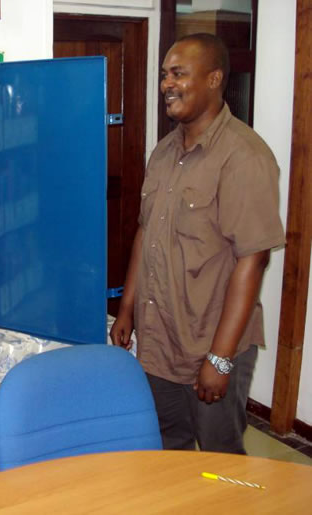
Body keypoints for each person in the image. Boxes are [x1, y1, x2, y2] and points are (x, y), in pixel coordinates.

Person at [110, 33, 285, 454]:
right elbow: (144, 234)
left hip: (207, 343)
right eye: (165, 75)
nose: (167, 84)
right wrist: (128, 310)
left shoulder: (244, 156)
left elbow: (253, 260)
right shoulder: (164, 152)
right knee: (167, 449)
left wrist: (220, 358)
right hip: (158, 344)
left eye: (178, 74)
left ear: (214, 79)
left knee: (220, 458)